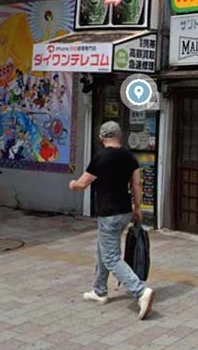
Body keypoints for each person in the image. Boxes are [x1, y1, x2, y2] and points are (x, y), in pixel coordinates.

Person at [68, 121, 154, 319]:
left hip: (109, 214)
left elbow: (82, 184)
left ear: (102, 137)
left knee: (111, 257)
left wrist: (73, 184)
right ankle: (99, 291)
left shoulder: (100, 158)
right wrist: (138, 208)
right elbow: (136, 185)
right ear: (119, 135)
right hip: (125, 211)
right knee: (103, 250)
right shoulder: (129, 157)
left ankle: (140, 291)